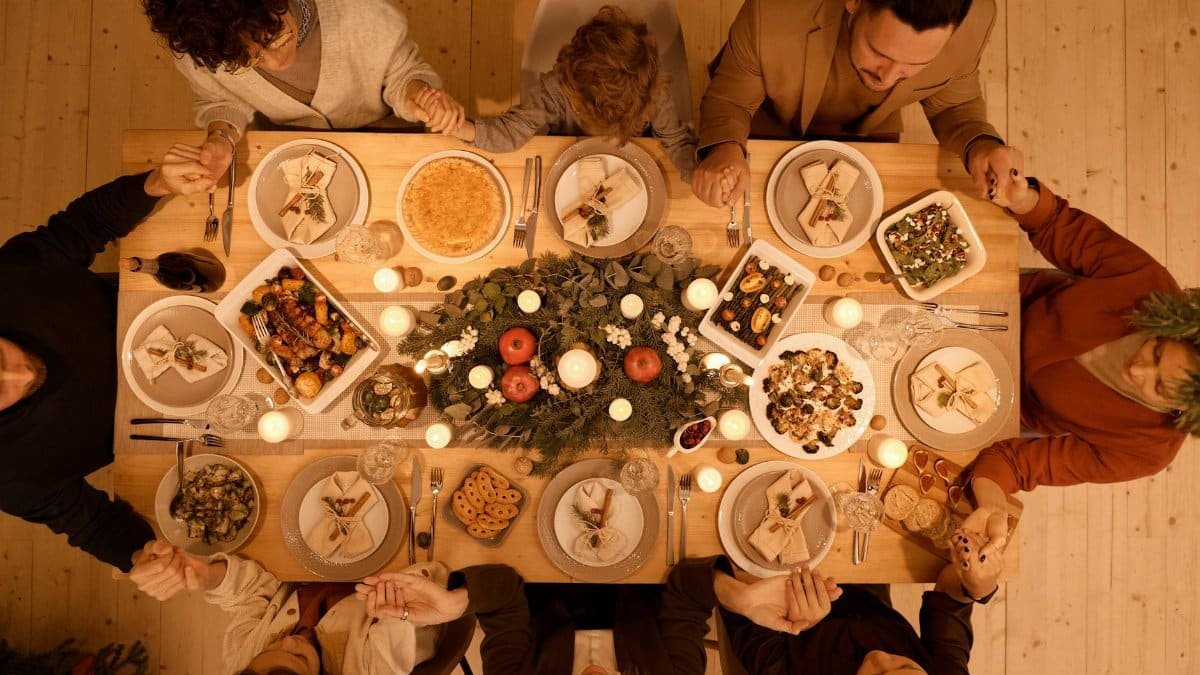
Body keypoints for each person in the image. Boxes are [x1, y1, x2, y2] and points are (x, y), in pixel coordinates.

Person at [0, 147, 217, 571]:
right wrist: (140, 555)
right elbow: (93, 525)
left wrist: (155, 184)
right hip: (195, 421)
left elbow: (83, 225)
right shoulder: (10, 478)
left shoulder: (9, 278)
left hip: (179, 305)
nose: (20, 371)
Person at [963, 173, 1199, 550]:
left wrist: (992, 506)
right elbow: (1059, 224)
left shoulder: (1147, 450)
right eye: (1156, 352)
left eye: (1158, 388)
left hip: (986, 400)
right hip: (994, 306)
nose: (1136, 371)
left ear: (1181, 413)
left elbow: (1020, 463)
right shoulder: (1150, 287)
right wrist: (1022, 197)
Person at [692, 0, 1021, 207]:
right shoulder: (773, 10)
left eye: (915, 64)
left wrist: (980, 144)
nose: (888, 78)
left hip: (872, 137)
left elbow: (953, 105)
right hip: (765, 123)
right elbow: (731, 99)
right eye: (880, 53)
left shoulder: (975, 19)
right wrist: (723, 146)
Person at [142, 0, 466, 180]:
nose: (277, 62)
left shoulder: (360, 10)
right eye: (251, 59)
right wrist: (222, 137)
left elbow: (403, 73)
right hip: (290, 146)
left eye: (276, 37)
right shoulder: (203, 47)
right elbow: (219, 100)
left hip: (387, 131)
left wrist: (418, 94)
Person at [443, 5, 697, 179]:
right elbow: (512, 131)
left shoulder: (652, 94)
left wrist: (697, 173)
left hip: (637, 166)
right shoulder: (557, 87)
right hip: (567, 164)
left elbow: (675, 142)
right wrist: (461, 128)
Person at [127, 540, 447, 674]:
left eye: (275, 646)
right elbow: (427, 585)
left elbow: (252, 595)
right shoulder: (373, 669)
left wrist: (209, 577)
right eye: (300, 657)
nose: (292, 639)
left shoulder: (243, 657)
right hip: (403, 569)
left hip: (313, 569)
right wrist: (392, 600)